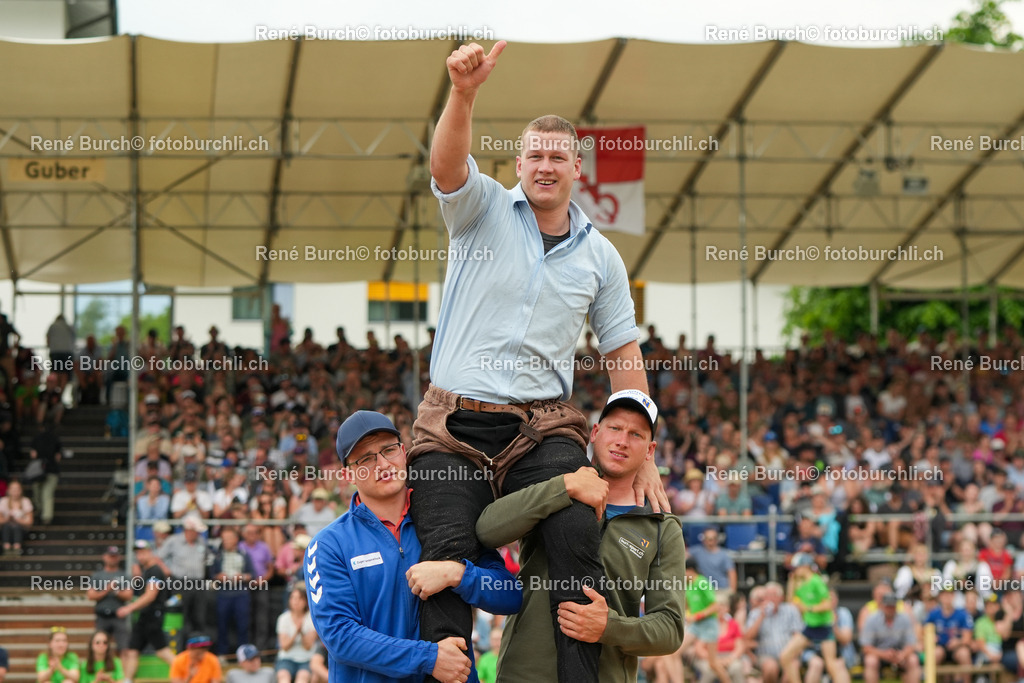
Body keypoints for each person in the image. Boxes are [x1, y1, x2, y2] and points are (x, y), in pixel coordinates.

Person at [409, 39, 664, 683]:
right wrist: (463, 93)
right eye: (535, 155)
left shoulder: (601, 256)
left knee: (577, 525)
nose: (545, 166)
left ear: (578, 166)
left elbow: (622, 353)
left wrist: (642, 451)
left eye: (557, 156)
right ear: (518, 163)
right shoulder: (481, 209)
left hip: (541, 428)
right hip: (453, 425)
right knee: (444, 554)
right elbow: (446, 166)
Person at [475, 390, 685, 682]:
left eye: (636, 434)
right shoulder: (553, 481)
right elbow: (486, 530)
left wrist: (609, 626)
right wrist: (564, 487)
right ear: (595, 433)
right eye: (615, 428)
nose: (622, 441)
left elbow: (670, 629)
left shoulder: (661, 526)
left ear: (650, 451)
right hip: (522, 674)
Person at [304, 410, 522, 683]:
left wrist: (457, 574)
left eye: (389, 450)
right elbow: (340, 636)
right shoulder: (328, 545)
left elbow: (510, 594)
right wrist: (428, 658)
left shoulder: (448, 516)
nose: (383, 464)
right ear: (348, 474)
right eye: (366, 459)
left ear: (404, 452)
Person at [780, 554, 850, 683]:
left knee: (831, 664)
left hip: (823, 626)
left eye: (796, 567)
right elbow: (791, 601)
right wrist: (791, 581)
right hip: (810, 626)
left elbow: (828, 604)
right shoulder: (802, 584)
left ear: (805, 566)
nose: (795, 570)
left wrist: (809, 608)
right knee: (785, 656)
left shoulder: (816, 581)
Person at [118, 540, 174, 683]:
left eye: (143, 552)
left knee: (162, 651)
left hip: (153, 615)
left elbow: (150, 596)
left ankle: (187, 674)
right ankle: (127, 680)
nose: (140, 556)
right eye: (138, 553)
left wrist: (129, 608)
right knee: (132, 651)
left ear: (151, 552)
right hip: (144, 616)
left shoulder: (155, 571)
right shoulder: (146, 571)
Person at [159, 515, 211, 649]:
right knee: (182, 617)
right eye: (196, 530)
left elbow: (207, 559)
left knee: (199, 617)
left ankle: (199, 647)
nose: (198, 533)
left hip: (198, 584)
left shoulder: (201, 542)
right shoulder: (173, 541)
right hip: (180, 583)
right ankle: (182, 648)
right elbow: (158, 558)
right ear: (188, 530)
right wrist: (166, 570)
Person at [744, 582, 804, 683]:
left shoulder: (791, 610)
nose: (770, 598)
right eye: (767, 595)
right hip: (766, 655)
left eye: (773, 595)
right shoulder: (756, 613)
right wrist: (761, 616)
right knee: (770, 667)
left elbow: (798, 636)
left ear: (781, 598)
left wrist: (794, 653)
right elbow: (747, 637)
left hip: (789, 654)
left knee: (792, 669)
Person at [210, 527, 254, 654]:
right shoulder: (218, 556)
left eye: (228, 538)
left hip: (241, 593)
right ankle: (222, 654)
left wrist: (242, 577)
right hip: (223, 593)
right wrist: (218, 577)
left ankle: (244, 654)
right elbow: (212, 575)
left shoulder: (244, 555)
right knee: (222, 625)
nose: (226, 541)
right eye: (224, 539)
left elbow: (252, 575)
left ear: (235, 539)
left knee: (243, 625)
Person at [859, 593, 920, 683]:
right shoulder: (871, 619)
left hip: (899, 653)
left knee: (913, 660)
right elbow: (866, 647)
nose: (890, 609)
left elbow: (911, 644)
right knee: (870, 661)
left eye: (892, 606)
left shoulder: (905, 619)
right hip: (878, 654)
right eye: (888, 606)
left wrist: (902, 654)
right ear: (882, 606)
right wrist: (884, 654)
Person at [86, 547, 133, 653]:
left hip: (118, 616)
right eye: (110, 556)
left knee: (124, 648)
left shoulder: (124, 575)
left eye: (115, 556)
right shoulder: (97, 575)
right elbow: (90, 595)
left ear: (119, 558)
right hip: (102, 616)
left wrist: (115, 591)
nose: (112, 559)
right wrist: (107, 590)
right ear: (105, 557)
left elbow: (129, 595)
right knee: (99, 646)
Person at [925, 586, 974, 678]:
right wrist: (931, 638)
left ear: (953, 596)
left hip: (957, 648)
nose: (947, 597)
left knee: (964, 653)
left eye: (950, 594)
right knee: (935, 653)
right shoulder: (933, 614)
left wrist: (958, 642)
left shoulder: (962, 614)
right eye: (944, 595)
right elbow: (922, 632)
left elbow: (967, 638)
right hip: (940, 647)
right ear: (940, 597)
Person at [275, 586, 317, 683]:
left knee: (302, 678)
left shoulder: (311, 618)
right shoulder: (283, 618)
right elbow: (284, 647)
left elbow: (308, 646)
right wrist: (296, 632)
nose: (296, 601)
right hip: (286, 658)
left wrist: (301, 632)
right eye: (293, 598)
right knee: (283, 678)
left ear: (305, 601)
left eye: (299, 598)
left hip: (306, 659)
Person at [688, 527, 737, 594]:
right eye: (707, 538)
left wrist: (732, 592)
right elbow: (682, 554)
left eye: (712, 538)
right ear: (703, 540)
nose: (710, 541)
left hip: (721, 590)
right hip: (703, 591)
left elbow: (731, 573)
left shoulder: (724, 554)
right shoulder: (697, 551)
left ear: (717, 540)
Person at [0, 479, 33, 554]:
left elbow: (30, 521)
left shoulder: (25, 501)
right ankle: (6, 547)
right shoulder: (3, 501)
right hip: (6, 528)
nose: (15, 491)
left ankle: (17, 548)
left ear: (21, 490)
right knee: (7, 526)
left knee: (17, 527)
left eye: (17, 489)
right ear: (8, 490)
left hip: (21, 528)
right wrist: (7, 519)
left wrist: (17, 520)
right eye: (13, 489)